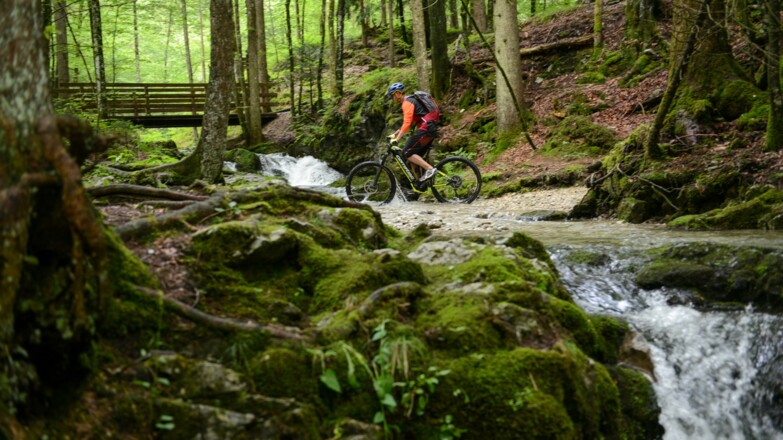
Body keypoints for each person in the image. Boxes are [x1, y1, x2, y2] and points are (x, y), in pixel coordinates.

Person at [386, 82, 440, 183]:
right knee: (413, 156)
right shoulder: (410, 101)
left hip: (426, 129)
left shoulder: (407, 103)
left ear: (397, 93)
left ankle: (430, 169)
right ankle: (421, 184)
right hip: (429, 128)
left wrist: (397, 139)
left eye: (392, 96)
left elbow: (406, 124)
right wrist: (394, 134)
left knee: (407, 152)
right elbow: (408, 123)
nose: (392, 98)